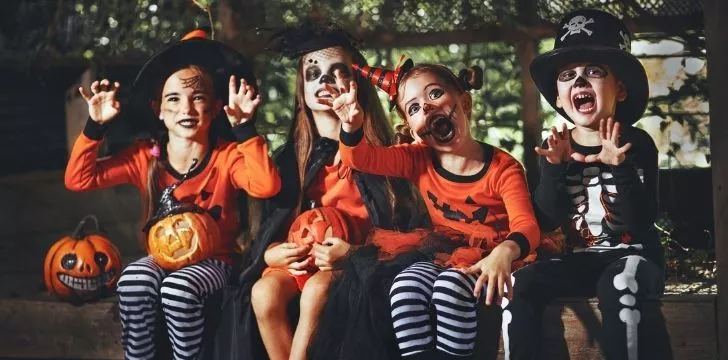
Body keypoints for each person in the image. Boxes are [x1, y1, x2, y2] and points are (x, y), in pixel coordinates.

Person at [65, 36, 281, 360]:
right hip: (160, 259)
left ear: (214, 107)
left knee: (177, 289)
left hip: (215, 262)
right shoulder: (145, 158)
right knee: (133, 279)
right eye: (174, 99)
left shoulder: (227, 156)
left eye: (198, 98)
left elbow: (266, 186)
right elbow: (79, 179)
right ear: (159, 110)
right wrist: (95, 126)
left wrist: (245, 130)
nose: (187, 109)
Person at [214, 22, 421, 360]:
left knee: (316, 290)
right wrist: (271, 254)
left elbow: (404, 231)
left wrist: (354, 254)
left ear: (357, 85)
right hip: (303, 263)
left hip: (357, 264)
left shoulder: (384, 155)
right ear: (302, 89)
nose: (325, 81)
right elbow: (270, 231)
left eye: (337, 72)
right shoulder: (290, 159)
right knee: (263, 292)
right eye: (314, 74)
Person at [330, 58, 540, 359]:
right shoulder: (417, 158)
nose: (426, 107)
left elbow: (526, 226)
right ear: (414, 130)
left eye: (434, 94)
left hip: (496, 255)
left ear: (464, 103)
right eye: (413, 107)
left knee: (449, 289)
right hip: (444, 250)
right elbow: (362, 160)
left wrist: (504, 252)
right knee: (404, 288)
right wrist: (351, 127)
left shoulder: (503, 168)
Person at [500, 9, 670, 360]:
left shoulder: (636, 143)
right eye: (568, 76)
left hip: (633, 257)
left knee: (622, 284)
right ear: (560, 99)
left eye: (593, 72)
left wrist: (620, 167)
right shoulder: (557, 147)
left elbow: (640, 222)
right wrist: (553, 168)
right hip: (579, 260)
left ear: (619, 89)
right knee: (519, 285)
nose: (579, 82)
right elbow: (546, 220)